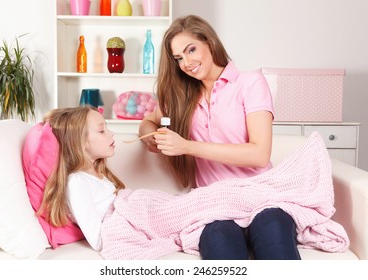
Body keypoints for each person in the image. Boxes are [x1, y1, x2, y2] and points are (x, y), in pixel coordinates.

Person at [139, 15, 301, 260]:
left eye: (191, 50)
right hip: (214, 204)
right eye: (179, 58)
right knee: (219, 239)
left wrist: (187, 146)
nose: (187, 62)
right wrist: (147, 137)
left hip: (262, 196)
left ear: (209, 42)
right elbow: (147, 121)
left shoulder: (250, 83)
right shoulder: (181, 98)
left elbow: (259, 155)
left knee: (273, 228)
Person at [38, 106, 125, 251]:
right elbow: (99, 241)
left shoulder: (100, 175)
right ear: (79, 142)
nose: (111, 133)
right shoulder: (77, 183)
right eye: (102, 130)